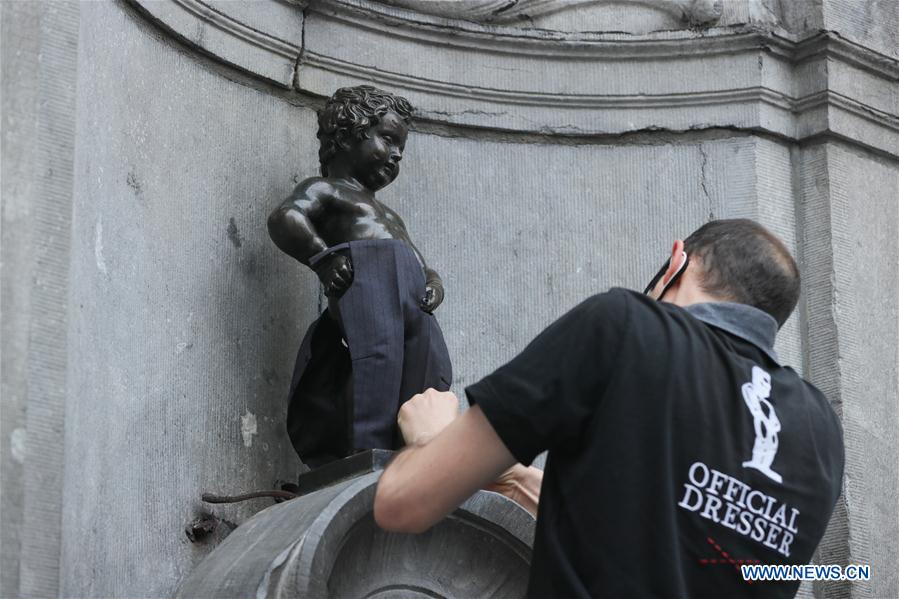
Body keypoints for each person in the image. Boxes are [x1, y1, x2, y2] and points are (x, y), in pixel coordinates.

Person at [374, 219, 844, 598]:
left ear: (677, 262)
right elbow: (669, 529)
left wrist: (433, 440)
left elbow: (403, 505)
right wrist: (514, 479)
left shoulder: (627, 326)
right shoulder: (820, 429)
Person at [268, 85, 451, 468]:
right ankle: (365, 452)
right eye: (388, 139)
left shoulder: (388, 214)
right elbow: (286, 218)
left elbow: (417, 259)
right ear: (349, 134)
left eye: (401, 147)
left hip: (411, 295)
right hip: (367, 282)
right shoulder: (328, 190)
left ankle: (415, 449)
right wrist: (322, 259)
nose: (397, 154)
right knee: (376, 363)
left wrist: (432, 281)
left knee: (428, 368)